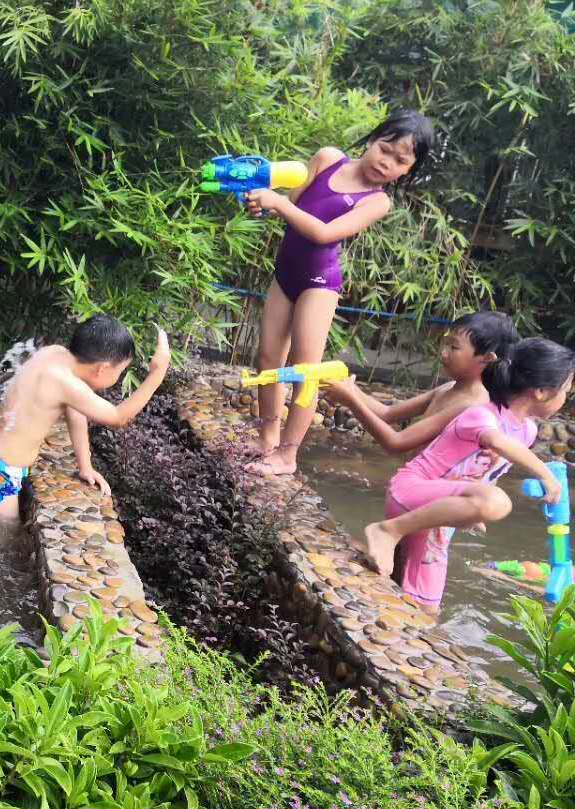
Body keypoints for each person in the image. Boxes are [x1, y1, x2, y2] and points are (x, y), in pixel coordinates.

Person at [246, 110, 436, 476]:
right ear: (371, 140)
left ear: (408, 171)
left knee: (306, 371)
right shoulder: (328, 158)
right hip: (285, 273)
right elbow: (291, 204)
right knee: (268, 358)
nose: (387, 162)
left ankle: (288, 454)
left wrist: (279, 204)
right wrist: (263, 205)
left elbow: (323, 233)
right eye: (385, 149)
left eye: (400, 161)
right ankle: (267, 438)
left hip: (319, 283)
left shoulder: (377, 202)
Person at [363, 338, 574, 610]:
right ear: (542, 391)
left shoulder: (527, 431)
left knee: (424, 608)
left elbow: (491, 471)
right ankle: (387, 531)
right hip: (412, 492)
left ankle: (384, 553)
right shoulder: (481, 415)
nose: (566, 397)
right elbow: (496, 441)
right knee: (497, 502)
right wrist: (546, 475)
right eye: (566, 389)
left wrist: (473, 512)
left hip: (439, 523)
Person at [0, 314, 170, 520]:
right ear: (103, 368)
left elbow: (76, 413)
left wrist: (85, 467)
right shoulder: (64, 382)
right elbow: (118, 417)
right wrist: (157, 373)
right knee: (3, 533)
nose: (118, 377)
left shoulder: (54, 354)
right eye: (121, 371)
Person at [325, 310, 517, 455]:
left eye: (454, 347)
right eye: (446, 343)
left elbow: (396, 443)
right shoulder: (448, 388)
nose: (443, 352)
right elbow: (387, 413)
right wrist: (348, 387)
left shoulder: (471, 406)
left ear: (487, 358)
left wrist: (351, 400)